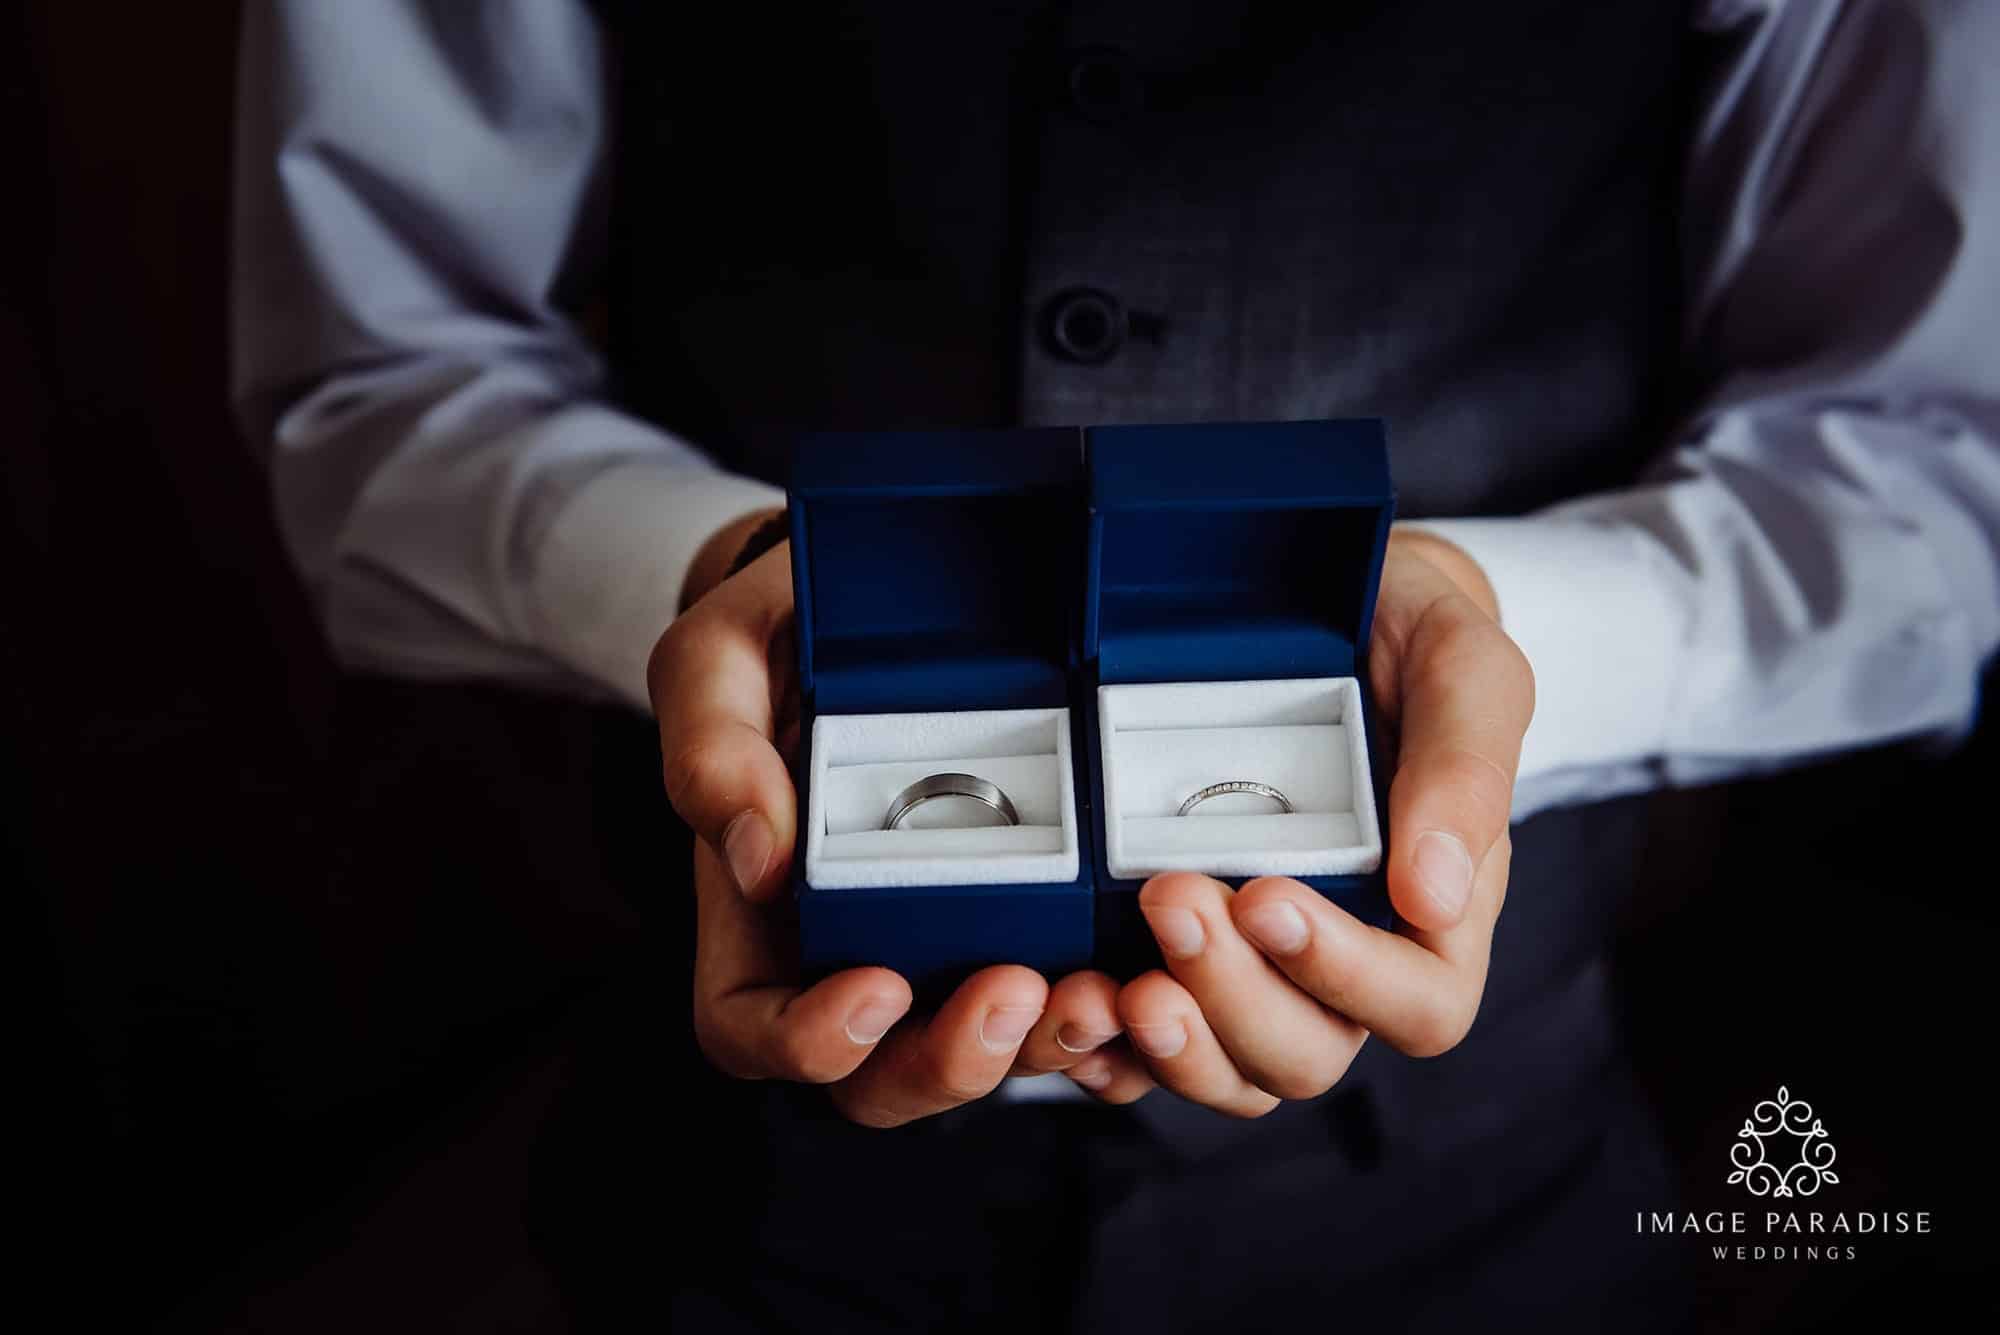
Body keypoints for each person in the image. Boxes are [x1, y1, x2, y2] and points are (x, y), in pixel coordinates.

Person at [232, 0, 1999, 1328]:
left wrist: (1479, 641)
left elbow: (1926, 469)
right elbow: (378, 380)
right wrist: (722, 582)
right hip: (722, 1188)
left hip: (1492, 1185)